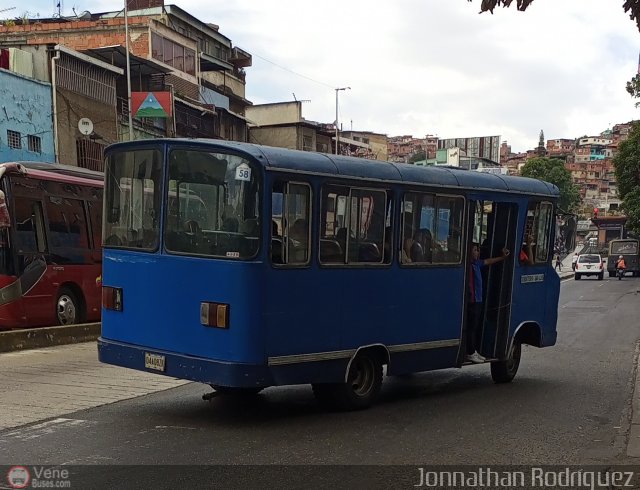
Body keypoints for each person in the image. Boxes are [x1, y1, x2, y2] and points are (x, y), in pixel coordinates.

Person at [466, 243, 510, 363]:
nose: (477, 252)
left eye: (478, 250)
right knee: (471, 328)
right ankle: (470, 352)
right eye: (475, 250)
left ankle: (473, 350)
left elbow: (488, 261)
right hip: (472, 301)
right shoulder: (468, 265)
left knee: (475, 327)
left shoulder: (476, 263)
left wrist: (502, 258)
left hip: (478, 300)